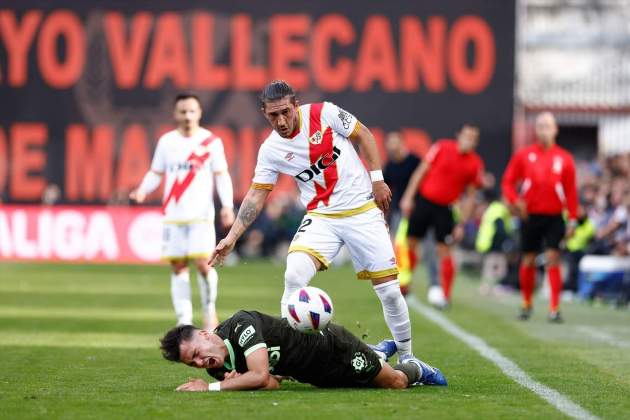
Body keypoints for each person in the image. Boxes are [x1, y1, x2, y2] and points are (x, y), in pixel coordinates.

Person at [209, 80, 412, 361]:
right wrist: (231, 238)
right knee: (293, 276)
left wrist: (377, 180)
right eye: (272, 116)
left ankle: (407, 356)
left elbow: (363, 134)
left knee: (389, 292)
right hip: (321, 217)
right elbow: (256, 195)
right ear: (264, 113)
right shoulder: (271, 150)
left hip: (362, 211)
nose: (280, 121)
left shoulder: (324, 113)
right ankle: (289, 357)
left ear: (295, 105)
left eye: (285, 112)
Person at [130, 94, 235, 329]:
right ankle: (184, 321)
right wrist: (142, 191)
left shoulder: (211, 142)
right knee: (178, 266)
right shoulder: (167, 142)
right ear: (175, 114)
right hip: (174, 216)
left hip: (201, 216)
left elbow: (222, 176)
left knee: (202, 264)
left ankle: (209, 312)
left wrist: (227, 206)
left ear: (199, 113)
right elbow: (156, 173)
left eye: (191, 111)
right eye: (183, 111)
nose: (187, 116)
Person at [159, 310, 447, 391]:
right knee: (363, 385)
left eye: (197, 352)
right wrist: (235, 382)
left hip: (333, 346)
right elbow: (270, 382)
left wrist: (215, 389)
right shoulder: (217, 368)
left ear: (206, 334)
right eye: (192, 364)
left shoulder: (240, 325)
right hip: (314, 375)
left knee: (393, 383)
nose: (200, 363)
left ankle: (418, 368)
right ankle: (377, 353)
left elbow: (259, 374)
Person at [502, 112, 578, 323]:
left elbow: (571, 192)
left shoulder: (565, 158)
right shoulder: (524, 155)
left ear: (555, 130)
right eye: (541, 125)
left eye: (548, 126)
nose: (544, 129)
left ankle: (555, 308)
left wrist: (572, 219)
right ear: (536, 130)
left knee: (553, 258)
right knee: (528, 259)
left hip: (554, 216)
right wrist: (515, 200)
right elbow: (508, 182)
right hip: (530, 215)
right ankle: (526, 302)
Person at [399, 124, 484, 306]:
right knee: (411, 243)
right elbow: (420, 172)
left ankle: (445, 295)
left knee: (444, 250)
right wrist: (408, 197)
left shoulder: (475, 163)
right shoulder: (442, 147)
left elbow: (470, 196)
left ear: (476, 142)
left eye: (473, 137)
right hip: (424, 201)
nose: (468, 139)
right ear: (458, 135)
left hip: (445, 208)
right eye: (466, 135)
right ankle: (404, 285)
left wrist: (462, 224)